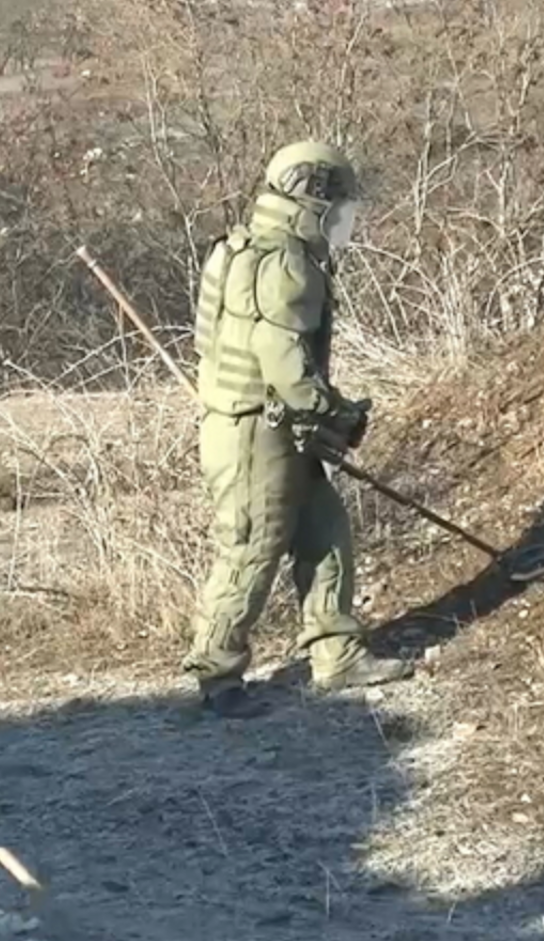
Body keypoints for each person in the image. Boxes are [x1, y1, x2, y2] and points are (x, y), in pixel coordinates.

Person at [183, 139, 413, 718]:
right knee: (252, 548)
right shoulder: (285, 261)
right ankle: (218, 675)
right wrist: (331, 411)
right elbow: (281, 356)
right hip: (257, 433)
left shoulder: (242, 247)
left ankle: (336, 652)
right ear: (311, 199)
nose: (342, 223)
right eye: (336, 208)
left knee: (325, 532)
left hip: (266, 427)